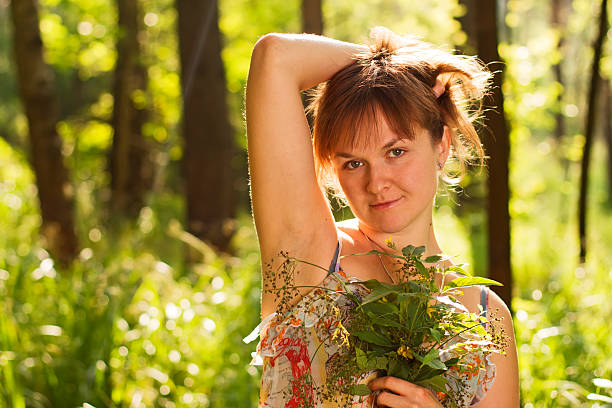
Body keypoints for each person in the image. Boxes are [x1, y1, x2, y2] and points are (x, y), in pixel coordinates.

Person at [245, 26, 519, 407]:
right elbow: (275, 56)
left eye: (395, 152)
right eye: (354, 162)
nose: (377, 182)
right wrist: (392, 65)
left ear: (441, 145)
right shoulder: (308, 257)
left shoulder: (487, 317)